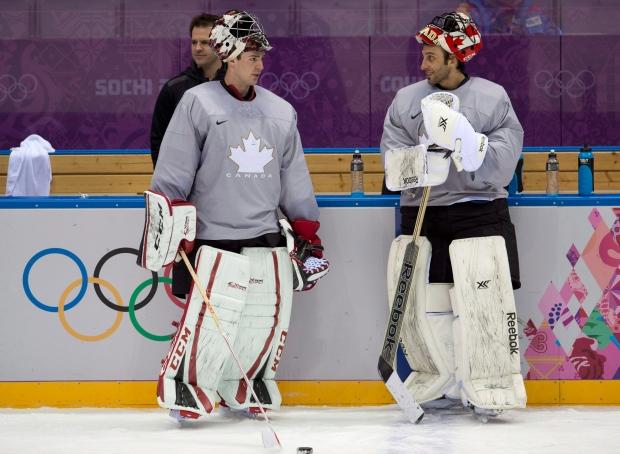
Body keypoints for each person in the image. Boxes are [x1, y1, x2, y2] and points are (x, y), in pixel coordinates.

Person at [138, 10, 329, 422]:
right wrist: (171, 232)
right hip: (213, 237)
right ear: (228, 55)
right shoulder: (197, 103)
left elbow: (294, 178)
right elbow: (172, 172)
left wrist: (307, 233)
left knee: (261, 321)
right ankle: (187, 388)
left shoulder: (280, 112)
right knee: (209, 324)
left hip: (264, 235)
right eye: (252, 56)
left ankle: (247, 380)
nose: (260, 65)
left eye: (261, 56)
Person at [381, 11, 526, 419]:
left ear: (454, 58)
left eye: (430, 56)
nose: (423, 64)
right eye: (423, 56)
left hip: (479, 213)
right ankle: (442, 379)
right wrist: (422, 163)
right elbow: (392, 167)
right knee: (428, 307)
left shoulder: (493, 97)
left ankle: (486, 382)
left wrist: (468, 145)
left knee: (481, 303)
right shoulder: (407, 100)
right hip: (424, 216)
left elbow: (504, 162)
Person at [150, 13, 226, 167]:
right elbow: (159, 141)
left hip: (225, 182)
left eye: (205, 42)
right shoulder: (174, 89)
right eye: (194, 42)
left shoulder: (236, 87)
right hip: (185, 183)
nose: (198, 48)